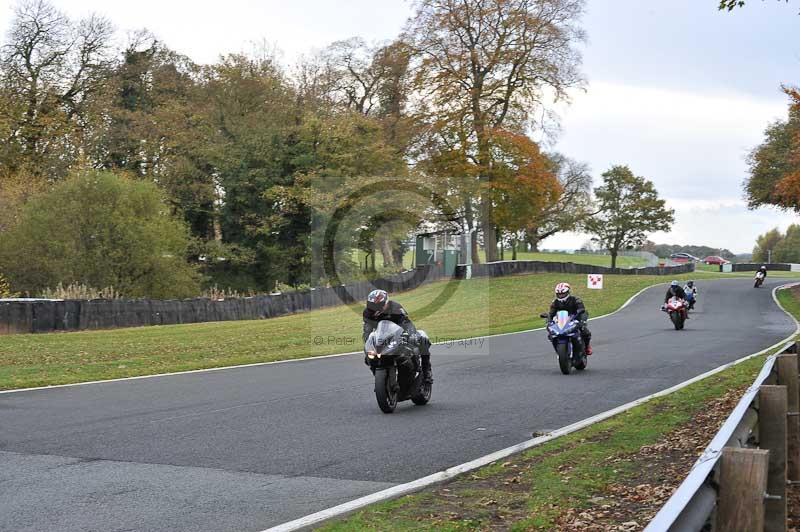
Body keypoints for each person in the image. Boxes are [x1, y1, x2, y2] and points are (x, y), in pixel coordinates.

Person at [363, 289, 432, 383]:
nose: (374, 308)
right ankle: (380, 378)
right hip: (382, 337)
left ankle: (426, 371)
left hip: (400, 334)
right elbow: (367, 330)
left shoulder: (395, 308)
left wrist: (409, 335)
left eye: (377, 306)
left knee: (422, 339)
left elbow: (407, 323)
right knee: (368, 356)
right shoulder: (368, 313)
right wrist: (368, 342)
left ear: (386, 303)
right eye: (371, 305)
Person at [547, 282, 593, 355]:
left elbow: (582, 309)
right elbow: (551, 313)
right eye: (559, 294)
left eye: (563, 294)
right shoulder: (555, 302)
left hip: (576, 317)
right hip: (562, 320)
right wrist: (549, 321)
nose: (561, 296)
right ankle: (559, 349)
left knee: (584, 330)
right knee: (551, 333)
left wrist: (580, 316)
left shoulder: (576, 299)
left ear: (568, 292)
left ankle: (587, 346)